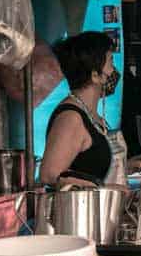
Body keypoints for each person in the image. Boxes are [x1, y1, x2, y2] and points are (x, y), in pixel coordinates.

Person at [39, 32, 120, 187]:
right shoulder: (71, 118)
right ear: (95, 75)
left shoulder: (91, 114)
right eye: (111, 61)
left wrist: (130, 166)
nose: (113, 71)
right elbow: (49, 174)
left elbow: (92, 166)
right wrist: (102, 189)